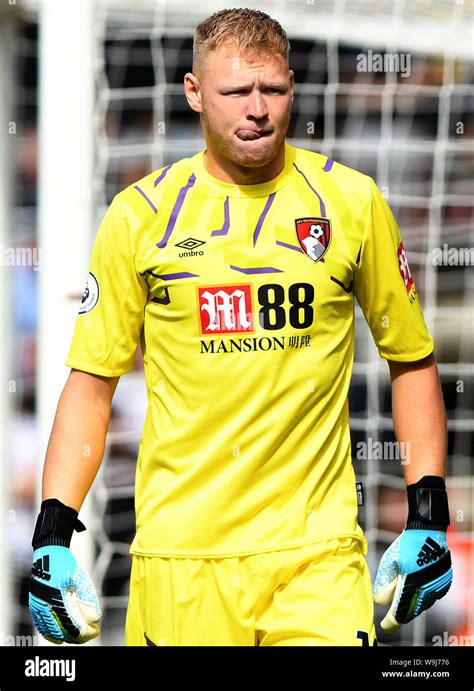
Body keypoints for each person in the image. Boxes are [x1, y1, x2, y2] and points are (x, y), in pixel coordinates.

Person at [29, 8, 452, 647]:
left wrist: (428, 513)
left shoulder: (352, 202)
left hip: (318, 553)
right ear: (194, 93)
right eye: (234, 92)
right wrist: (51, 536)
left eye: (273, 90)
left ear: (290, 86)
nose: (257, 109)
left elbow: (411, 358)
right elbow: (92, 381)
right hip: (180, 560)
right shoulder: (139, 216)